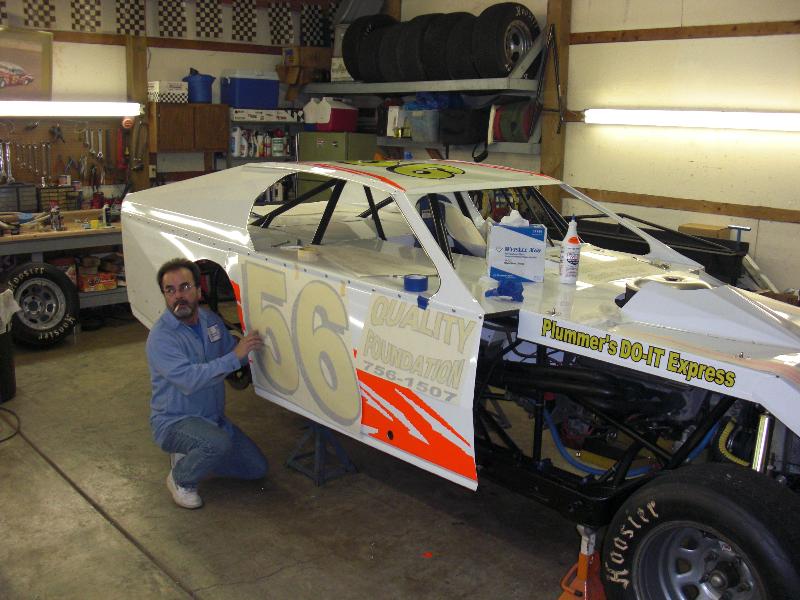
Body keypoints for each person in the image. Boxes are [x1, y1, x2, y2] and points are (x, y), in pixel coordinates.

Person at [146, 258, 267, 509]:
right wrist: (235, 357)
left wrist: (254, 349)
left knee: (256, 468)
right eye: (170, 290)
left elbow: (231, 351)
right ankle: (181, 479)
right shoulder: (161, 338)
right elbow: (190, 380)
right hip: (175, 421)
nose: (178, 296)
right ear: (165, 295)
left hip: (212, 418)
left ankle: (197, 453)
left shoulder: (210, 321)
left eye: (185, 287)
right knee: (217, 444)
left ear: (199, 290)